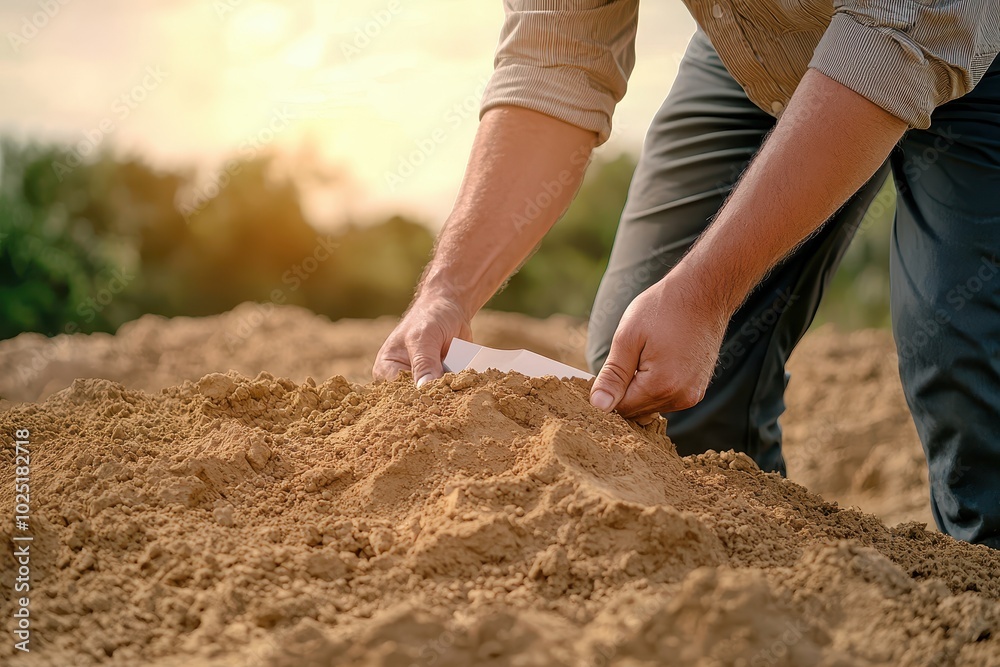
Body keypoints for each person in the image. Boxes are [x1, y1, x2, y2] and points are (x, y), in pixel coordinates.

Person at [372, 1, 1000, 549]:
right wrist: (447, 290)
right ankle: (760, 603)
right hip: (769, 36)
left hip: (955, 21)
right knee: (649, 384)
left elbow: (905, 31)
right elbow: (553, 58)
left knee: (966, 357)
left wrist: (705, 292)